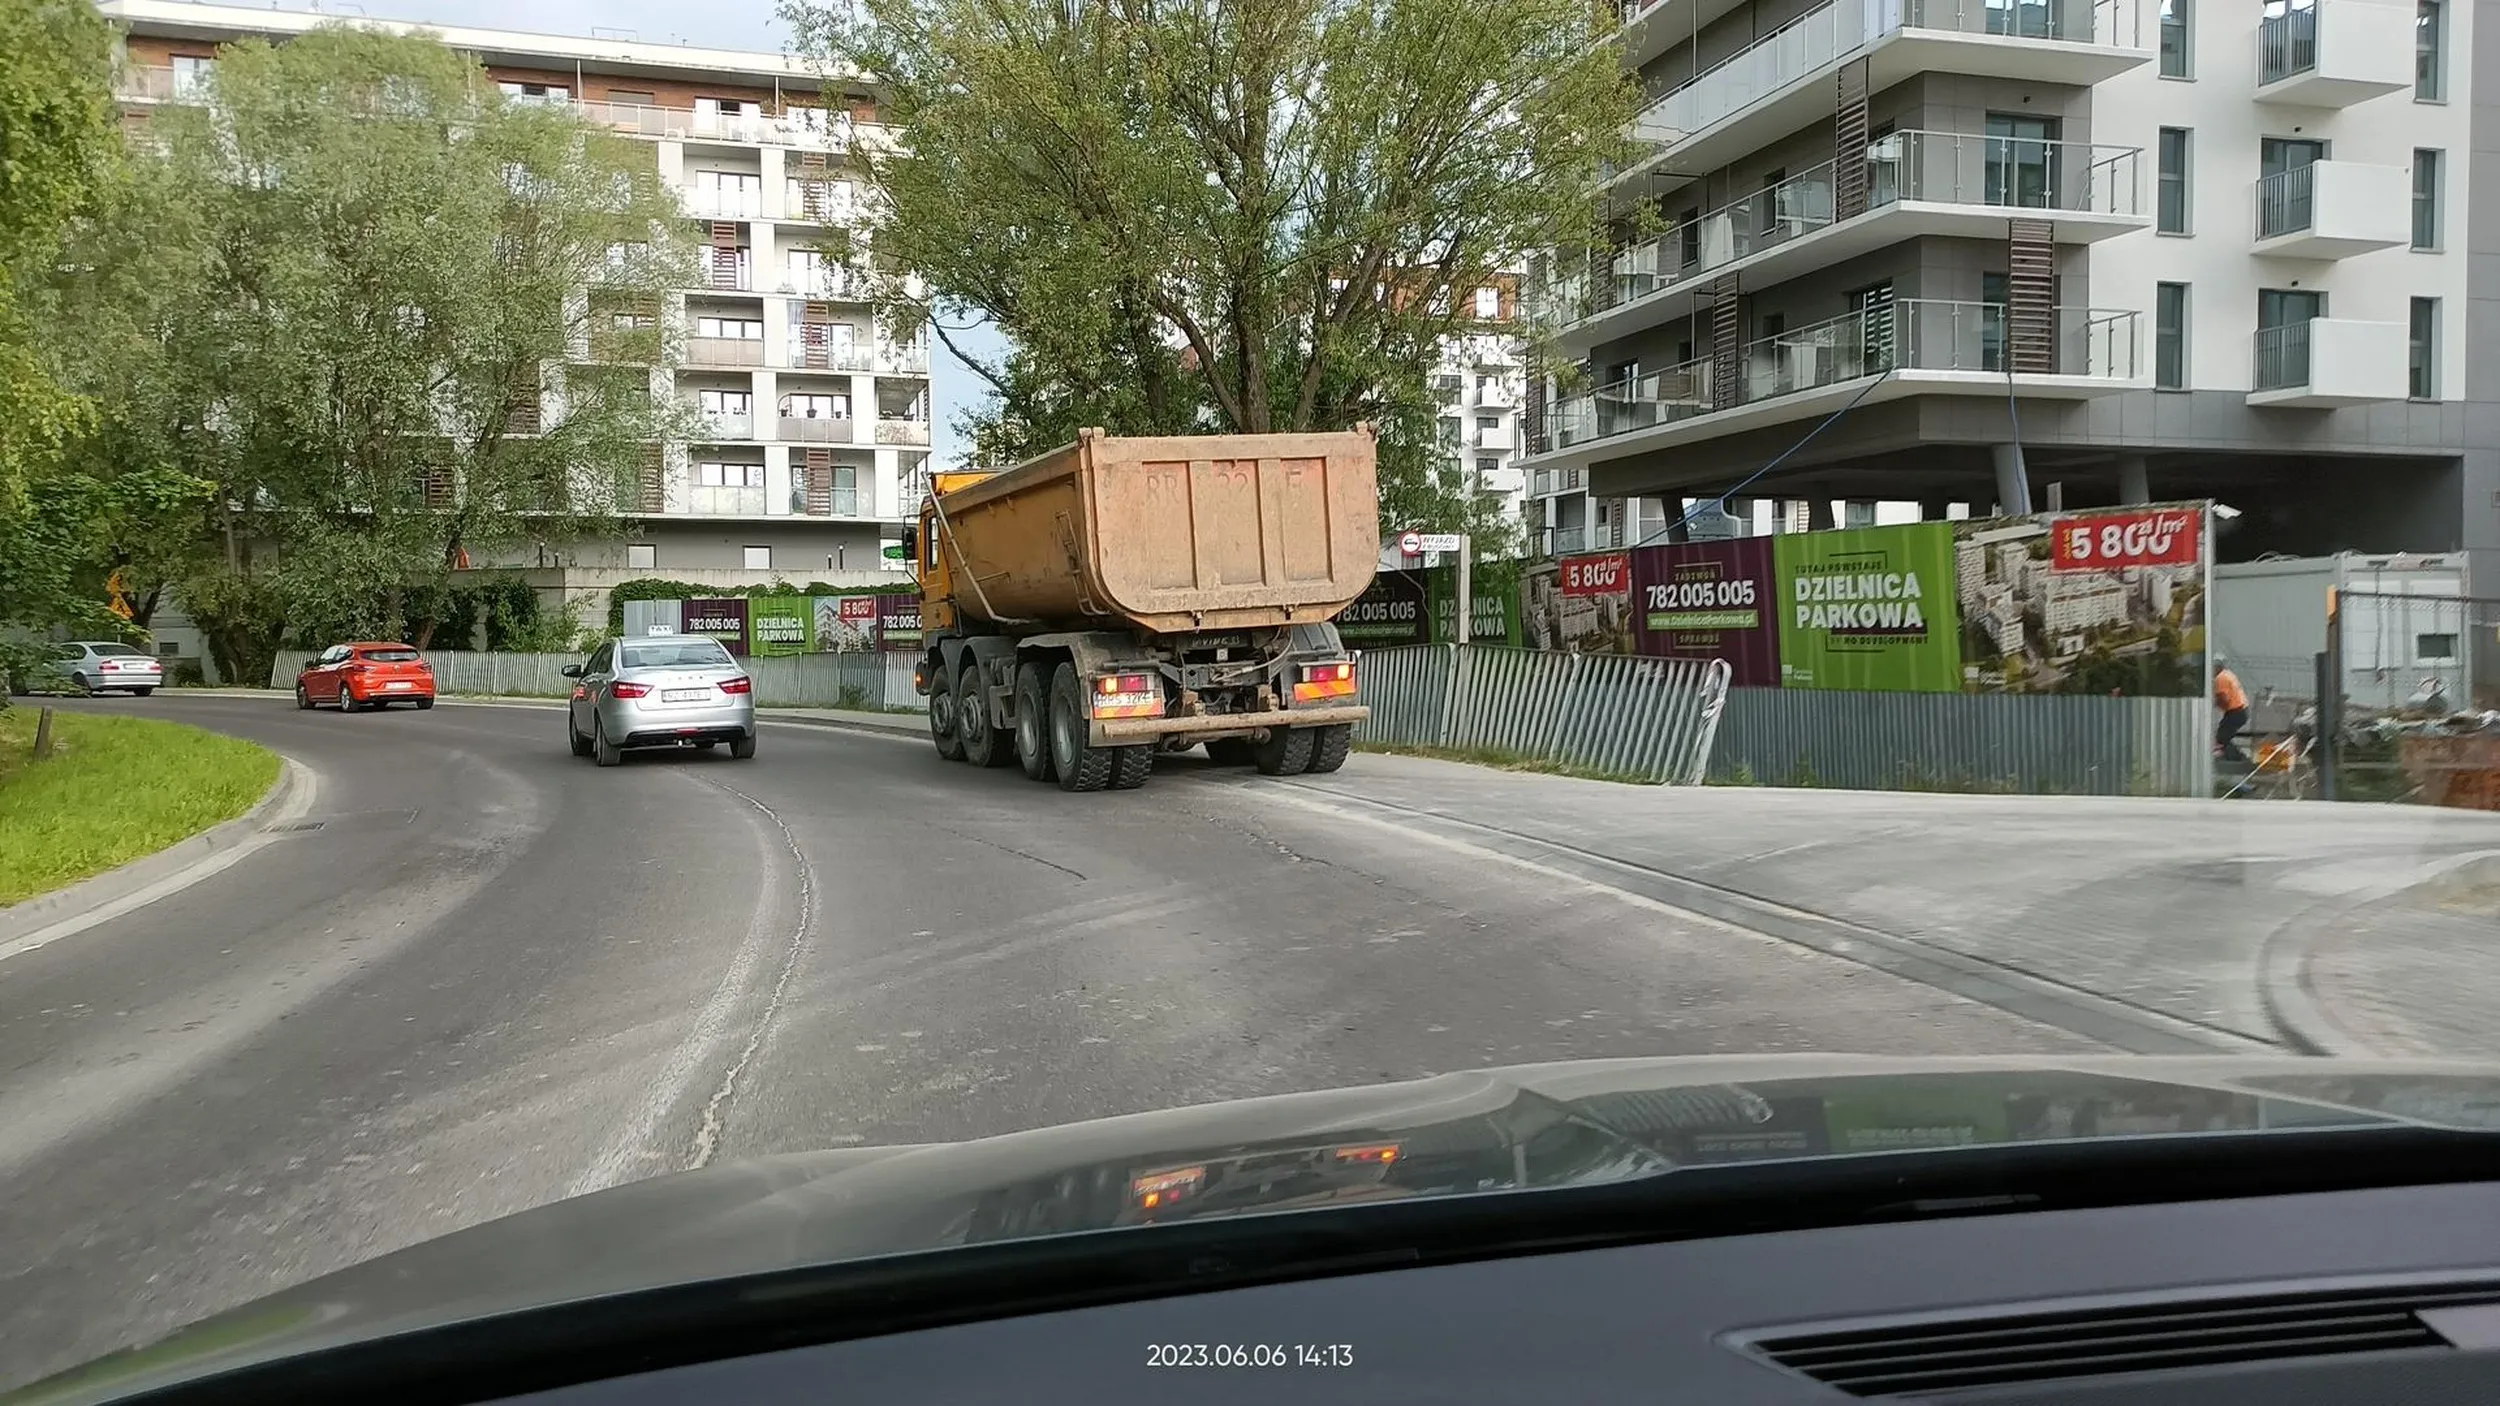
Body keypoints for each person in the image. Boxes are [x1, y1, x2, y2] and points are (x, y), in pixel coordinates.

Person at [2213, 659, 2250, 762]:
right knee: (2224, 736)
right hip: (2241, 709)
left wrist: (2215, 704)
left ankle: (2238, 759)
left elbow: (2223, 698)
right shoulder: (2228, 674)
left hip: (2235, 711)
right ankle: (2235, 757)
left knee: (2222, 737)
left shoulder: (2220, 678)